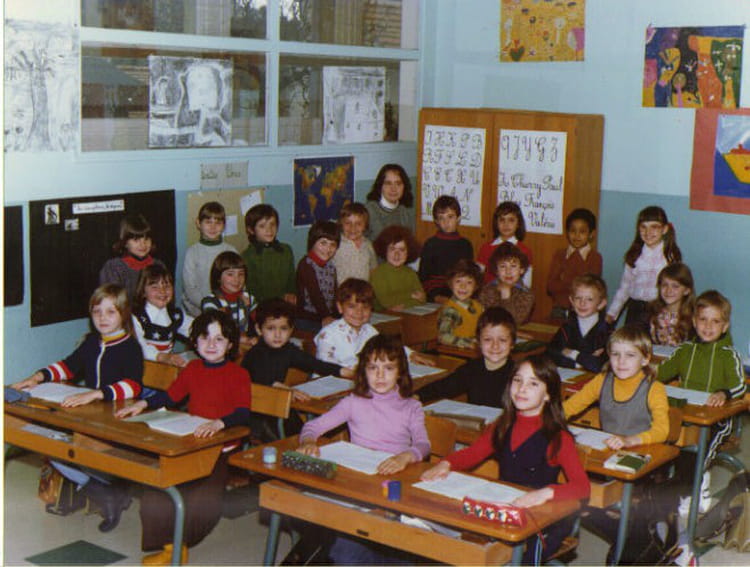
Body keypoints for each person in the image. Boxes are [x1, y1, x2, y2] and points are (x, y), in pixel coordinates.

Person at [421, 354, 590, 565]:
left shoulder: (558, 437)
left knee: (522, 556)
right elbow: (473, 453)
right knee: (458, 538)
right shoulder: (502, 425)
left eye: (533, 383)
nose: (522, 389)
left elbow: (583, 487)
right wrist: (446, 463)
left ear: (548, 394)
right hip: (507, 507)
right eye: (517, 380)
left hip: (546, 518)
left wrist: (545, 494)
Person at [115, 310, 251, 565]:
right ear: (195, 342)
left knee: (203, 501)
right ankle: (170, 548)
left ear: (230, 344)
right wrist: (142, 403)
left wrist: (219, 422)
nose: (211, 344)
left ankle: (182, 543)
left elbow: (243, 412)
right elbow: (171, 396)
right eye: (205, 337)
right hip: (190, 443)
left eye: (219, 339)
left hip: (220, 448)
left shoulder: (238, 374)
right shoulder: (193, 368)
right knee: (157, 489)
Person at [12, 283, 143, 532]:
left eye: (111, 312)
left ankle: (112, 489)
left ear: (124, 314)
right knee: (51, 447)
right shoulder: (92, 342)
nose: (102, 318)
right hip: (91, 416)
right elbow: (68, 366)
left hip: (118, 419)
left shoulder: (130, 347)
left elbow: (134, 386)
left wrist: (97, 393)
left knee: (82, 452)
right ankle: (104, 493)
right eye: (97, 312)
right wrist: (37, 377)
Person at [298, 334, 430, 564]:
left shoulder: (411, 406)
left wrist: (405, 457)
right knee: (346, 551)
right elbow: (312, 427)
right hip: (359, 484)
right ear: (363, 371)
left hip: (394, 484)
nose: (380, 376)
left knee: (399, 551)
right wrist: (308, 440)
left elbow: (423, 444)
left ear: (400, 372)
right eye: (372, 368)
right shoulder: (353, 402)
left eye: (388, 368)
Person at [656, 290, 746, 565]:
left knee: (696, 456)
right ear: (694, 322)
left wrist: (723, 393)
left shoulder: (729, 355)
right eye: (703, 320)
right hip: (685, 416)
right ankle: (674, 489)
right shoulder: (686, 350)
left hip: (716, 421)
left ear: (725, 326)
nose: (708, 326)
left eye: (715, 321)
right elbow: (660, 374)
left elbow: (740, 386)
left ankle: (697, 480)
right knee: (665, 451)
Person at [564, 325, 669, 449]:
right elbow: (570, 406)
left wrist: (630, 441)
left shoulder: (655, 389)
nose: (621, 361)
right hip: (610, 446)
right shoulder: (602, 380)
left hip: (642, 448)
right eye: (615, 354)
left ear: (645, 360)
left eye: (630, 355)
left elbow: (662, 430)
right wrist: (549, 420)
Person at [315, 278, 435, 368]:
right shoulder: (328, 334)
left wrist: (411, 355)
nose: (359, 312)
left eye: (365, 307)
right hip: (332, 384)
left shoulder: (368, 330)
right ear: (340, 307)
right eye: (352, 306)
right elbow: (326, 365)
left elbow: (388, 347)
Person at [420, 306, 516, 408]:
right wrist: (417, 396)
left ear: (512, 343)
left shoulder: (517, 375)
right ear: (478, 342)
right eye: (488, 339)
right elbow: (443, 386)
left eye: (502, 340)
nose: (495, 346)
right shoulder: (471, 369)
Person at [606, 206, 681, 329]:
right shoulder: (634, 255)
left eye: (654, 227)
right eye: (643, 227)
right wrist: (612, 313)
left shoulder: (670, 257)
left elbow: (676, 290)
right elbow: (625, 287)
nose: (648, 232)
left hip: (660, 310)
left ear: (664, 229)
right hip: (635, 310)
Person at [181, 201, 238, 316]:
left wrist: (226, 306)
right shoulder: (192, 252)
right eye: (208, 222)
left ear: (224, 225)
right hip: (198, 312)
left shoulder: (231, 251)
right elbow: (190, 288)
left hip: (225, 310)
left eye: (218, 223)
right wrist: (210, 306)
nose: (213, 227)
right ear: (198, 223)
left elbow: (239, 283)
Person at [546, 274, 612, 373]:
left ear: (601, 304)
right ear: (571, 301)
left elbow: (600, 365)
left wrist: (573, 354)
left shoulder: (607, 331)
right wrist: (580, 362)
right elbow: (550, 354)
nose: (582, 303)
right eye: (578, 298)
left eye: (589, 299)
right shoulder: (567, 327)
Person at [546, 208, 603, 321]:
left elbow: (589, 288)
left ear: (591, 234)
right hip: (560, 308)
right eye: (573, 231)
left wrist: (564, 279)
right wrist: (576, 282)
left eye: (582, 231)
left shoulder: (595, 258)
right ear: (567, 233)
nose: (577, 235)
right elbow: (551, 286)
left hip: (585, 308)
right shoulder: (560, 255)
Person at [133, 264, 193, 367]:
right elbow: (139, 346)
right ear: (143, 292)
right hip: (141, 368)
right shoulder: (137, 317)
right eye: (155, 287)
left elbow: (195, 327)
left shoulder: (175, 315)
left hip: (164, 369)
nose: (162, 291)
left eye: (167, 286)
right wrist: (163, 357)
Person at [418, 195, 474, 303]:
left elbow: (469, 275)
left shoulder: (465, 245)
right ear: (436, 221)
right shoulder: (430, 244)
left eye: (450, 217)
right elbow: (423, 277)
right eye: (441, 218)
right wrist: (435, 297)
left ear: (458, 219)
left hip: (459, 292)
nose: (446, 222)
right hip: (434, 295)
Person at [99, 213, 165, 302]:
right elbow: (112, 301)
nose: (143, 244)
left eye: (146, 239)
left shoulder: (158, 265)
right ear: (125, 243)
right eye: (136, 240)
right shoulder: (114, 268)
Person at [241, 204, 297, 305]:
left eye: (272, 224)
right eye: (262, 226)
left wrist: (292, 294)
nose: (269, 230)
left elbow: (292, 280)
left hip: (285, 304)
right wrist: (281, 296)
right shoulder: (247, 256)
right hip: (262, 306)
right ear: (251, 230)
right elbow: (252, 290)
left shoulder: (286, 250)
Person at [201, 251, 256, 349]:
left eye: (241, 274)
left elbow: (261, 320)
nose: (237, 279)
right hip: (220, 345)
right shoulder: (210, 302)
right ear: (218, 277)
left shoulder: (249, 299)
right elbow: (217, 329)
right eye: (230, 274)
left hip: (245, 343)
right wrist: (238, 339)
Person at [296, 220, 341, 332]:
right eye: (323, 243)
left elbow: (335, 293)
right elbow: (315, 294)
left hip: (326, 315)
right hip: (307, 317)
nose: (328, 249)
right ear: (312, 242)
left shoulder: (331, 266)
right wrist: (326, 316)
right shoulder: (306, 264)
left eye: (333, 244)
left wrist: (338, 314)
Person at [476, 201, 533, 287]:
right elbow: (477, 278)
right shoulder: (486, 248)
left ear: (518, 223)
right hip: (489, 293)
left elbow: (526, 285)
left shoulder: (525, 251)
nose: (506, 224)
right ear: (496, 223)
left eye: (511, 220)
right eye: (502, 220)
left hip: (515, 294)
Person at [370, 225, 425, 311]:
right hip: (384, 316)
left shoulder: (410, 272)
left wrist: (403, 306)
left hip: (407, 313)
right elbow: (386, 302)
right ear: (385, 250)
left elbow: (422, 299)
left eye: (402, 250)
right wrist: (411, 295)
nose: (397, 254)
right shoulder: (378, 273)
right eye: (392, 249)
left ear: (408, 252)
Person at [478, 242, 534, 325]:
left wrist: (506, 295)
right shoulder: (487, 290)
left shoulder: (526, 294)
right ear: (496, 270)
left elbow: (513, 321)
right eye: (503, 266)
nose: (508, 271)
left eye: (513, 266)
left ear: (521, 269)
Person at [436, 259, 484, 349]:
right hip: (455, 353)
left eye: (469, 282)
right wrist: (468, 343)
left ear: (476, 286)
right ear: (451, 284)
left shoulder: (478, 306)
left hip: (473, 352)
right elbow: (443, 336)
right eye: (458, 281)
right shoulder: (451, 311)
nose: (463, 286)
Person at [648, 263, 695, 346]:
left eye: (675, 286)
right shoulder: (650, 312)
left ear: (686, 290)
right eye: (664, 285)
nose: (668, 290)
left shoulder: (694, 318)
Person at [364, 163, 416, 239]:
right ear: (380, 186)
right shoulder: (368, 211)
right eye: (388, 183)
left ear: (404, 187)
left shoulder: (406, 212)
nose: (393, 189)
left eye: (398, 184)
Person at [331, 202, 377, 284]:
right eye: (348, 223)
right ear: (341, 224)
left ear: (365, 226)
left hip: (363, 290)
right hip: (342, 290)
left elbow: (373, 269)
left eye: (358, 224)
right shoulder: (336, 243)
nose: (353, 228)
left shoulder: (368, 244)